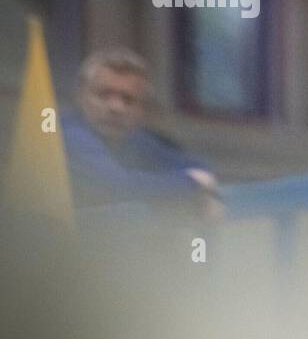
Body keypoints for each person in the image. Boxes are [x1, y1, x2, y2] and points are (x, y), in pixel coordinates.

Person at [62, 48, 221, 221]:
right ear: (79, 97)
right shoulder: (66, 134)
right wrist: (192, 184)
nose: (116, 107)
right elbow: (115, 187)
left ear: (141, 109)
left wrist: (199, 185)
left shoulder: (133, 138)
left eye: (128, 100)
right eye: (104, 95)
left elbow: (198, 168)